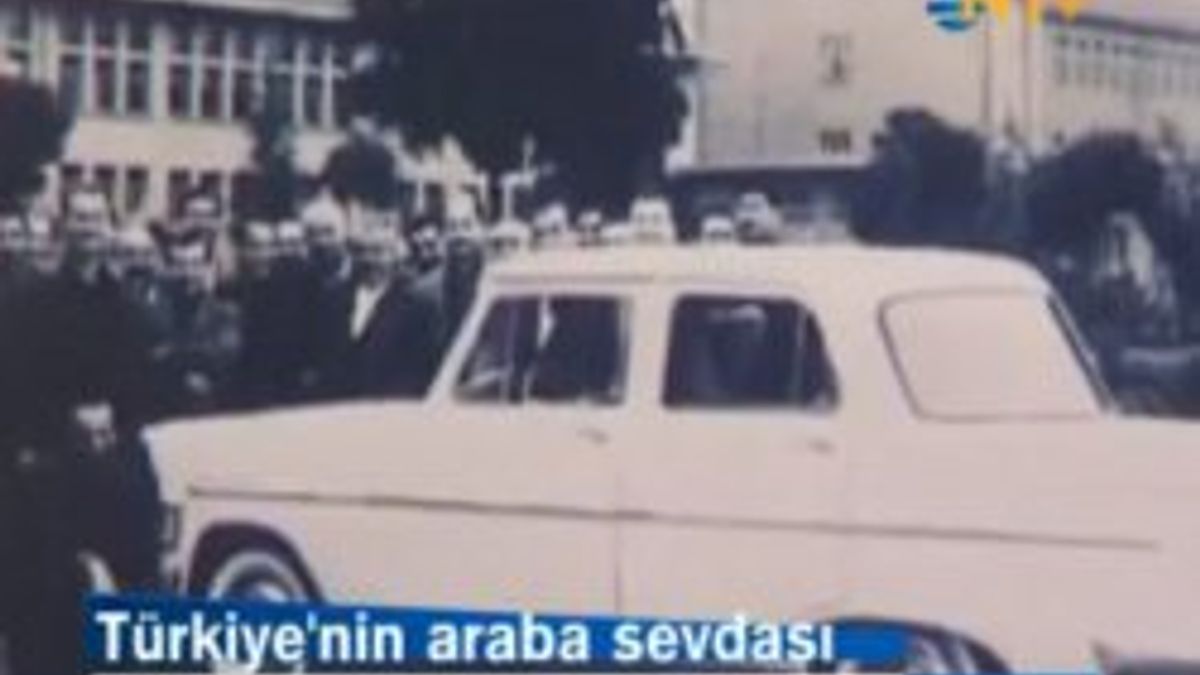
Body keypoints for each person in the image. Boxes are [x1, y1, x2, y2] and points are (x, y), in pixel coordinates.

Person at [2, 186, 160, 675]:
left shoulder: (127, 308)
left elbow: (143, 387)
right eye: (79, 218)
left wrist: (114, 419)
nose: (87, 229)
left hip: (113, 465)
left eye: (96, 219)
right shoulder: (29, 305)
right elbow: (15, 386)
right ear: (63, 227)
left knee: (135, 590)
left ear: (108, 228)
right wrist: (66, 419)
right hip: (50, 469)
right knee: (45, 607)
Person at [330, 228, 445, 398]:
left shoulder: (416, 303)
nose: (369, 260)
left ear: (394, 255)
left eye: (378, 252)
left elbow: (422, 367)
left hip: (391, 405)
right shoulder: (335, 297)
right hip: (339, 405)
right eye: (361, 251)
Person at [153, 229, 241, 416]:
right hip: (161, 405)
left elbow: (224, 360)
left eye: (195, 265)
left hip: (217, 408)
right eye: (179, 265)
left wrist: (172, 355)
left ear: (209, 268)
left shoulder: (226, 314)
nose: (187, 274)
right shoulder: (153, 313)